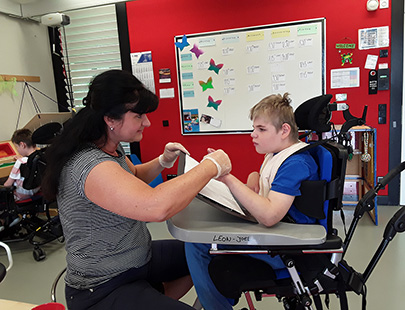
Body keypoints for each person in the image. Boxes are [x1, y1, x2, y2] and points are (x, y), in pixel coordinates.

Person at [41, 69, 232, 310]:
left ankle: (156, 297)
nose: (147, 122)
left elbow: (133, 177)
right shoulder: (90, 165)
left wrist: (163, 161)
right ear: (110, 119)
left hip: (136, 258)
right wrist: (210, 167)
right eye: (139, 116)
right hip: (103, 286)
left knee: (206, 252)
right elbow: (155, 207)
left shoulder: (109, 147)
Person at [185, 93, 320, 310]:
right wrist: (254, 175)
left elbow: (269, 215)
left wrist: (227, 178)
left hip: (286, 247)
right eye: (254, 128)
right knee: (198, 241)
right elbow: (270, 181)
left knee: (197, 243)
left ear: (284, 130)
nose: (253, 135)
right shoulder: (278, 154)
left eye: (261, 129)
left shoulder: (296, 163)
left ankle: (216, 305)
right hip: (277, 236)